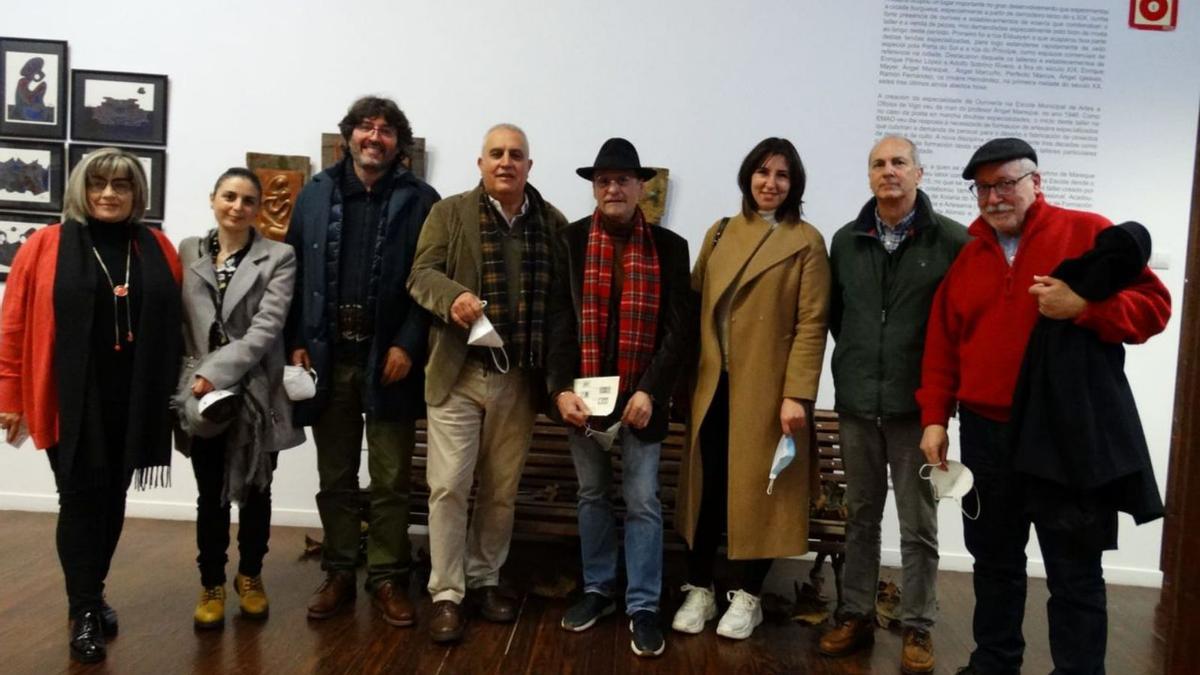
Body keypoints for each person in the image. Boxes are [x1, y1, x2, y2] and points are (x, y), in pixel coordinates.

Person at [917, 138, 1171, 675]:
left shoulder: (1087, 232)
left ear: (1037, 182)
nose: (994, 196)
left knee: (1074, 569)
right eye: (983, 187)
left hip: (1064, 435)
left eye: (1006, 183)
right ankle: (995, 662)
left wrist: (1085, 306)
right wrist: (935, 418)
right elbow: (942, 344)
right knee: (994, 562)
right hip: (987, 435)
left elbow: (1154, 308)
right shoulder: (969, 256)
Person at [0, 147, 182, 663]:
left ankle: (92, 590)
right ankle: (83, 610)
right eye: (98, 184)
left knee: (114, 499)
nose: (108, 194)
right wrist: (9, 396)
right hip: (71, 398)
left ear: (135, 194)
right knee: (80, 499)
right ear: (81, 189)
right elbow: (12, 326)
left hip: (135, 397)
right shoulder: (45, 246)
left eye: (120, 186)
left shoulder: (157, 248)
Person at [408, 123, 567, 643]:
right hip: (459, 373)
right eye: (495, 153)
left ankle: (484, 579)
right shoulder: (449, 213)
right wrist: (451, 296)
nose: (505, 162)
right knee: (450, 486)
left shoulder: (554, 224)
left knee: (500, 490)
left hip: (518, 381)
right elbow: (420, 275)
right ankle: (447, 593)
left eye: (516, 155)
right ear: (480, 164)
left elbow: (565, 302)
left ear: (529, 166)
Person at [284, 96, 440, 626]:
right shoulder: (314, 194)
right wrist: (295, 341)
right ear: (347, 135)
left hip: (392, 358)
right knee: (336, 476)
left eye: (387, 130)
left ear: (401, 143)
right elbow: (293, 273)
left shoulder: (423, 200)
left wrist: (408, 343)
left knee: (393, 477)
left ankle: (388, 577)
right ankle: (340, 571)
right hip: (328, 358)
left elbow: (433, 280)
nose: (375, 137)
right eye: (366, 128)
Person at [672, 137, 831, 640]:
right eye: (763, 172)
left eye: (782, 176)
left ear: (794, 185)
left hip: (769, 391)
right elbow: (693, 309)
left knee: (761, 493)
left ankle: (748, 596)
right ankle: (698, 587)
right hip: (712, 384)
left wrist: (797, 394)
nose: (771, 183)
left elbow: (812, 322)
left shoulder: (806, 241)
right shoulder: (718, 233)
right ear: (748, 177)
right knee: (707, 487)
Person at [819, 135, 967, 673]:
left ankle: (919, 625)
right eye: (879, 164)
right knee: (859, 517)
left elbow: (958, 328)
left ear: (919, 174)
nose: (889, 172)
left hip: (915, 411)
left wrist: (941, 409)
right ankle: (854, 613)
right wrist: (860, 366)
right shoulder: (845, 241)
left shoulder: (952, 241)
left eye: (899, 163)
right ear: (869, 176)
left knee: (918, 524)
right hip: (857, 403)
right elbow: (840, 318)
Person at [545, 138, 692, 657]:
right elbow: (560, 322)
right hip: (584, 400)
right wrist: (560, 390)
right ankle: (599, 589)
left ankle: (644, 604)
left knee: (644, 501)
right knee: (591, 496)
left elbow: (680, 331)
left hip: (642, 401)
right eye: (603, 179)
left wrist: (652, 389)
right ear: (594, 186)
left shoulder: (671, 248)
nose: (613, 188)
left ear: (640, 187)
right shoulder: (571, 241)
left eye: (623, 179)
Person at [175, 168, 305, 628]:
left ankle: (250, 576)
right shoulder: (188, 250)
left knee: (256, 490)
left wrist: (215, 372)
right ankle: (211, 582)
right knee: (209, 494)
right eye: (229, 197)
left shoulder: (279, 256)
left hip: (255, 391)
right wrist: (195, 381)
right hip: (198, 397)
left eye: (248, 200)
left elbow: (266, 330)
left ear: (258, 209)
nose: (237, 206)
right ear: (213, 199)